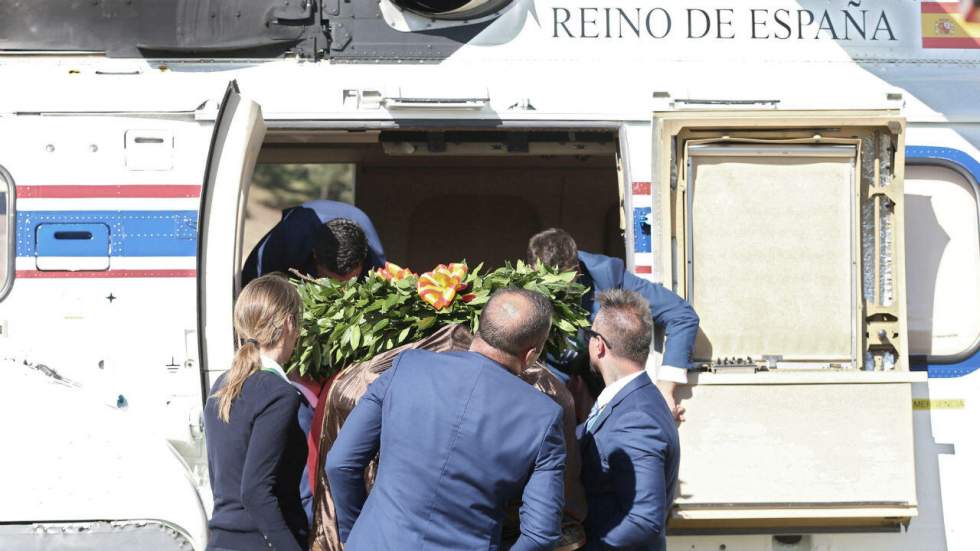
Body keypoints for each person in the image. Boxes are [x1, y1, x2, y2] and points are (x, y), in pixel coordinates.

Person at [326, 289, 567, 551]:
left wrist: (353, 534)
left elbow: (340, 463)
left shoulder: (408, 366)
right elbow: (541, 535)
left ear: (478, 325)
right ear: (531, 354)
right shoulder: (543, 416)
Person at [527, 228, 699, 420]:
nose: (558, 294)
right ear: (533, 272)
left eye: (565, 284)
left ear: (577, 269)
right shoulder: (523, 292)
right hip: (548, 382)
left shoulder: (607, 276)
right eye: (550, 286)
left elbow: (681, 315)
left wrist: (666, 388)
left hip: (608, 383)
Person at [203, 274, 308, 551]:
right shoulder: (278, 393)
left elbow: (221, 477)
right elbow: (255, 491)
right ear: (288, 324)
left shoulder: (223, 383)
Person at [578, 289, 680, 551]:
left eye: (589, 335)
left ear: (598, 344)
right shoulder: (633, 397)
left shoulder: (636, 417)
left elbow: (644, 519)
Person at [242, 200, 385, 285]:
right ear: (315, 255)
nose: (341, 291)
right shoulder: (291, 234)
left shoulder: (372, 252)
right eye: (328, 278)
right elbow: (253, 282)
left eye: (351, 281)